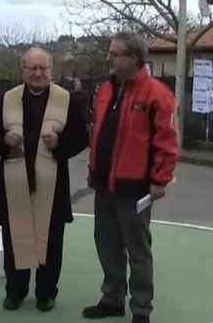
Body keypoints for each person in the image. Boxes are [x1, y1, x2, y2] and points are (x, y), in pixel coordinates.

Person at [83, 32, 178, 323]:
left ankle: (141, 308)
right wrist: (93, 170)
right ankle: (112, 298)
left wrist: (159, 180)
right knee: (107, 243)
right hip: (104, 185)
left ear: (133, 59)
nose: (108, 58)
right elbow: (99, 134)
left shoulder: (157, 94)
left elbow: (167, 141)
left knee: (137, 251)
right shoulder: (106, 90)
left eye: (114, 53)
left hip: (134, 188)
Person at [0, 47, 88, 312]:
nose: (38, 73)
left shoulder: (68, 101)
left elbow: (81, 139)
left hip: (53, 183)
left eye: (43, 68)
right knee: (13, 239)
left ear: (51, 71)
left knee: (52, 241)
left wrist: (60, 142)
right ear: (23, 71)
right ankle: (15, 291)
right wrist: (3, 141)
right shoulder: (4, 100)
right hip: (14, 182)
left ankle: (46, 293)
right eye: (32, 68)